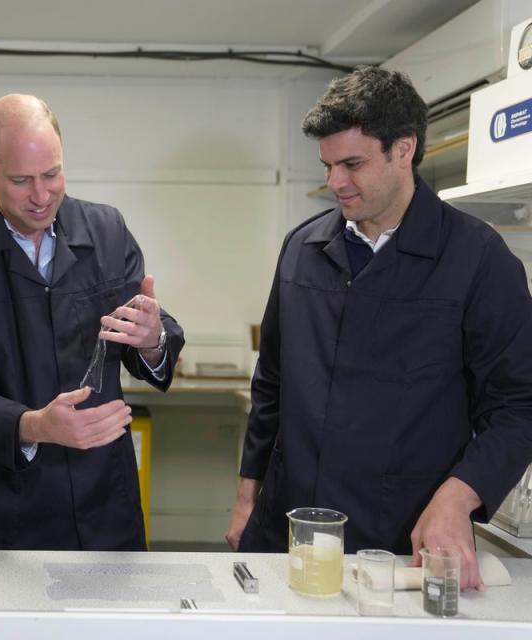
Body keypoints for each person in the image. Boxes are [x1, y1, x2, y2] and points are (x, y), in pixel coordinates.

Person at [226, 66, 532, 591]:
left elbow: (519, 404)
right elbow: (271, 384)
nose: (335, 182)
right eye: (327, 165)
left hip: (398, 542)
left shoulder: (479, 260)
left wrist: (458, 497)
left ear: (404, 149)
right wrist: (247, 498)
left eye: (352, 164)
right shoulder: (302, 249)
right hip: (286, 531)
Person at [0, 94, 184, 550]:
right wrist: (35, 424)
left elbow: (148, 338)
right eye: (21, 181)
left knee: (110, 619)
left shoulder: (107, 232)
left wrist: (152, 338)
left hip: (103, 502)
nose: (41, 197)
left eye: (52, 175)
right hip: (4, 510)